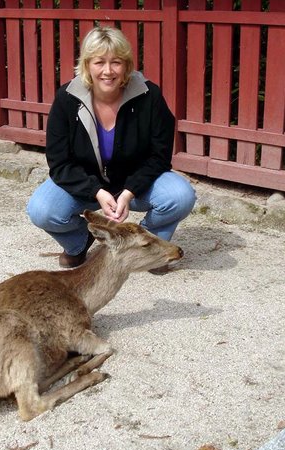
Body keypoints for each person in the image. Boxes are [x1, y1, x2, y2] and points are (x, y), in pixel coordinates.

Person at [27, 26, 196, 271]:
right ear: (86, 65)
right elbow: (59, 162)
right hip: (87, 184)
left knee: (180, 196)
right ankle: (78, 243)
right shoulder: (67, 98)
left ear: (127, 65)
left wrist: (128, 192)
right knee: (42, 210)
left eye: (116, 62)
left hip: (136, 184)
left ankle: (149, 247)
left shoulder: (150, 95)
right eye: (99, 62)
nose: (108, 71)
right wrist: (97, 191)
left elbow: (159, 156)